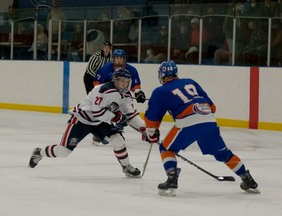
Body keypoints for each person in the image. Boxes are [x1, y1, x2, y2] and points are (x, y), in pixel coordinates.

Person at [143, 61, 260, 197]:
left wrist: (152, 133)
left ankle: (172, 178)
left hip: (187, 123)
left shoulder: (160, 91)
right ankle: (247, 178)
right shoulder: (190, 82)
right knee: (223, 153)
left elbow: (151, 118)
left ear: (161, 76)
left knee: (166, 148)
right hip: (209, 120)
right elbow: (213, 107)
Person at [29, 68, 146, 178]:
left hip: (99, 122)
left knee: (118, 140)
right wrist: (117, 118)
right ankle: (39, 152)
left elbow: (131, 115)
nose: (124, 84)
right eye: (122, 81)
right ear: (115, 80)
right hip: (82, 119)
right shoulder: (103, 90)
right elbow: (97, 112)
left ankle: (126, 166)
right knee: (64, 151)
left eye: (126, 82)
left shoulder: (126, 96)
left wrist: (145, 129)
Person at [92, 48, 146, 146]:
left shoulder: (132, 70)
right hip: (108, 96)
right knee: (104, 112)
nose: (119, 60)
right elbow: (97, 84)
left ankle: (122, 130)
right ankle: (99, 132)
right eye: (117, 58)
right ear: (113, 59)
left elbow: (135, 86)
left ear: (124, 59)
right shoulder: (105, 69)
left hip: (123, 96)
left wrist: (139, 93)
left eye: (121, 58)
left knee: (128, 114)